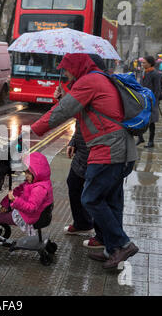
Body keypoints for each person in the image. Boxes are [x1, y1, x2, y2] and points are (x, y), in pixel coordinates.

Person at [31, 53, 139, 269]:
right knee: (111, 201)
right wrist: (66, 96)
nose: (65, 73)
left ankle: (123, 244)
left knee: (90, 198)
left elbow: (63, 111)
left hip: (108, 150)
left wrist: (34, 130)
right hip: (122, 150)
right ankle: (111, 249)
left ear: (77, 66)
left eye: (67, 69)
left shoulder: (89, 81)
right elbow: (86, 112)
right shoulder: (98, 79)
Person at [62, 54, 107, 250]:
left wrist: (62, 101)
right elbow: (80, 118)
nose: (66, 72)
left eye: (68, 69)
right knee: (74, 183)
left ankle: (103, 235)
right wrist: (73, 139)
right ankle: (82, 223)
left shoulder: (94, 86)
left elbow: (83, 114)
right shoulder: (82, 85)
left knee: (95, 194)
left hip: (96, 148)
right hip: (83, 146)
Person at [0, 152, 53, 237]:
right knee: (4, 215)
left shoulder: (39, 189)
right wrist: (6, 204)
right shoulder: (37, 182)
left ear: (38, 172)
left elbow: (31, 208)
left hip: (30, 217)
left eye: (28, 173)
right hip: (34, 214)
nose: (26, 176)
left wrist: (15, 201)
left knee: (0, 218)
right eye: (25, 172)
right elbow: (18, 190)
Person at [136, 56, 162, 148]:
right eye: (142, 63)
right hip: (143, 100)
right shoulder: (143, 72)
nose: (142, 64)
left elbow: (157, 89)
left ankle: (151, 141)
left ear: (150, 63)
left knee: (151, 122)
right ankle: (140, 137)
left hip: (151, 101)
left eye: (144, 62)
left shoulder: (155, 74)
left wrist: (154, 101)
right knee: (140, 119)